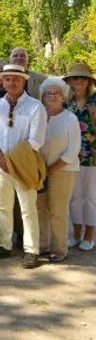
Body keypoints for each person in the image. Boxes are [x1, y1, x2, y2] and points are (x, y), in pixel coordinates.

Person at [0, 64, 47, 269]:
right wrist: (0, 156)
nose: (12, 83)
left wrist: (10, 160)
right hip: (0, 166)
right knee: (3, 207)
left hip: (25, 165)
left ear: (24, 81)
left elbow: (35, 141)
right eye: (8, 79)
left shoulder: (35, 106)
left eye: (16, 79)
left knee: (28, 208)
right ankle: (5, 244)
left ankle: (31, 250)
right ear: (2, 81)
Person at [36, 78, 81, 263]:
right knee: (40, 208)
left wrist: (52, 169)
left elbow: (73, 151)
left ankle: (59, 248)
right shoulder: (38, 117)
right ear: (43, 97)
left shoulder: (70, 118)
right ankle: (42, 245)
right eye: (49, 93)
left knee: (58, 210)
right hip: (39, 171)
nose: (53, 97)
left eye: (57, 94)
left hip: (63, 170)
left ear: (64, 97)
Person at [65, 63, 96, 251]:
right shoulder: (65, 102)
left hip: (92, 156)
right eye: (75, 78)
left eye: (83, 78)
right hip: (71, 156)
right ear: (69, 81)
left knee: (90, 197)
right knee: (74, 197)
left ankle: (90, 235)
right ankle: (76, 233)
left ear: (89, 81)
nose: (79, 81)